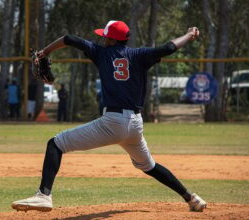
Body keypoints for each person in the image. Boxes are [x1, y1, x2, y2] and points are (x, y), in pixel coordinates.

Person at [11, 20, 206, 212]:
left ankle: (43, 196)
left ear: (112, 40)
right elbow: (169, 47)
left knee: (56, 143)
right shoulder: (140, 55)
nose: (103, 40)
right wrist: (189, 35)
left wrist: (44, 52)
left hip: (112, 123)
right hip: (135, 125)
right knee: (149, 166)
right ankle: (192, 198)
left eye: (105, 37)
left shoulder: (101, 53)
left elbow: (69, 38)